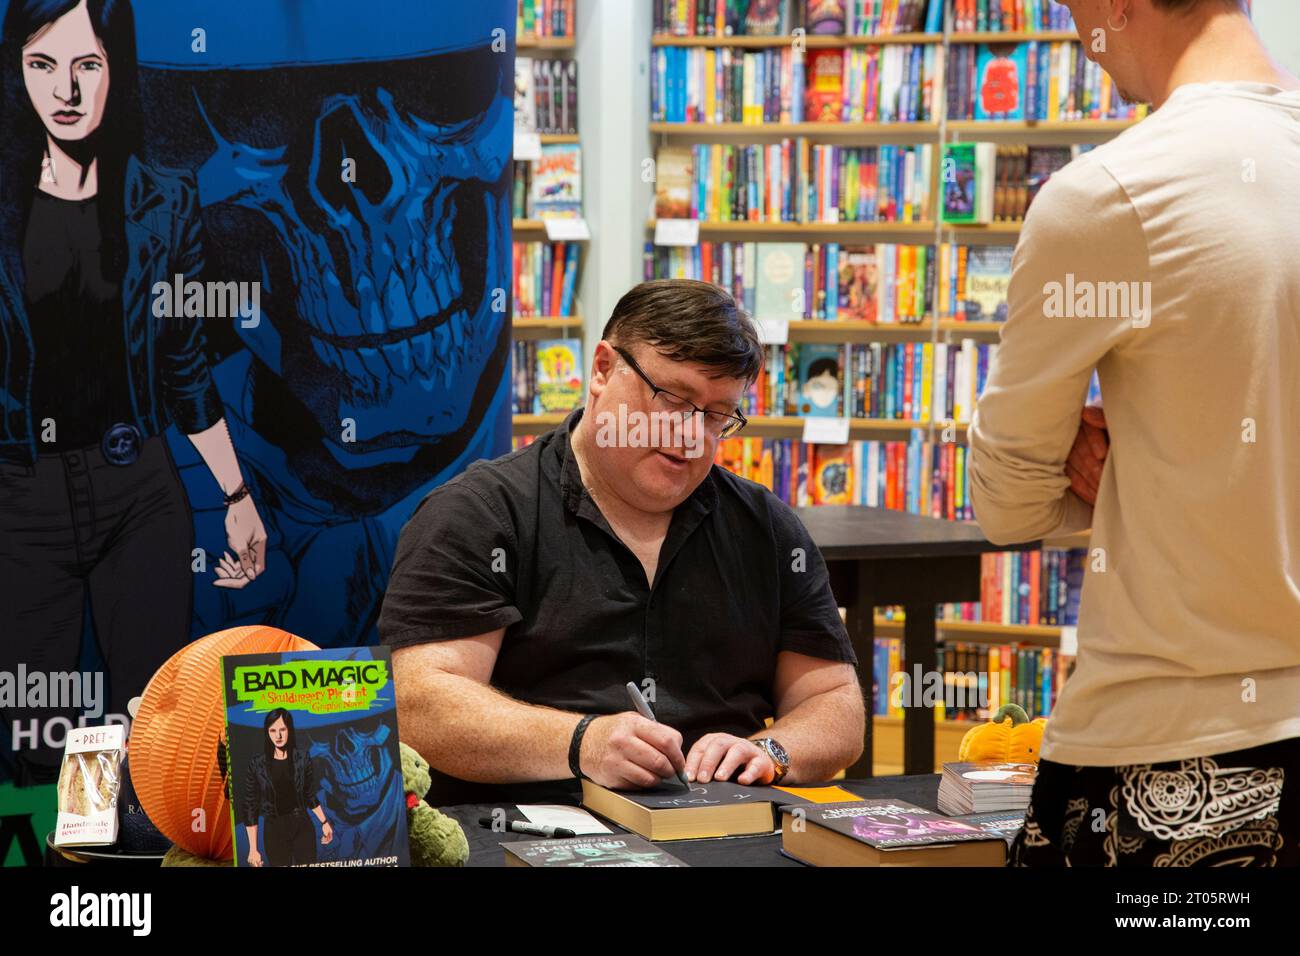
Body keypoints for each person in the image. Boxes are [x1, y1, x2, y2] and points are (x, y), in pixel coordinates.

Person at [967, 0, 1300, 866]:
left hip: (1170, 745)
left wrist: (1134, 468)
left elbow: (1007, 501)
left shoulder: (1113, 194)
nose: (1079, 31)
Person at [380, 279, 864, 805]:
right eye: (674, 399)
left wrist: (774, 750)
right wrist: (579, 743)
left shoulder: (766, 528)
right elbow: (418, 704)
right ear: (603, 369)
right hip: (533, 830)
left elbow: (835, 703)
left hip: (725, 829)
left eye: (719, 415)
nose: (691, 434)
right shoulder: (479, 512)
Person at [0, 0, 269, 782]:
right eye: (43, 65)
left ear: (117, 69)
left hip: (140, 496)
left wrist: (235, 495)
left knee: (157, 730)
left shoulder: (165, 201)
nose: (68, 91)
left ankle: (142, 879)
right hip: (20, 500)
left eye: (89, 65)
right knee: (30, 744)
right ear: (16, 72)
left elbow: (183, 362)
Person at [240, 708, 333, 867]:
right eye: (273, 730)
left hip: (302, 826)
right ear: (267, 733)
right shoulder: (257, 765)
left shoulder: (302, 758)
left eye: (282, 729)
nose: (278, 735)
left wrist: (324, 822)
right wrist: (253, 849)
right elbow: (250, 806)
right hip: (274, 829)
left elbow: (309, 795)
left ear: (289, 729)